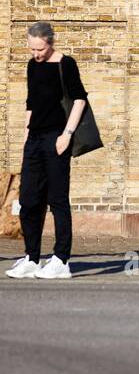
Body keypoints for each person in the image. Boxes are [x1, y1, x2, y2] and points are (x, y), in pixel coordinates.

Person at [6, 21, 89, 279]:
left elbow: (79, 99)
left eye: (40, 49)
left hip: (57, 137)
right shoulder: (32, 65)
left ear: (50, 43)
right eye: (32, 49)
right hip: (34, 139)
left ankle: (61, 260)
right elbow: (31, 101)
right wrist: (26, 134)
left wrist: (67, 134)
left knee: (57, 200)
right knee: (29, 200)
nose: (36, 55)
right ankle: (32, 257)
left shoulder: (66, 64)